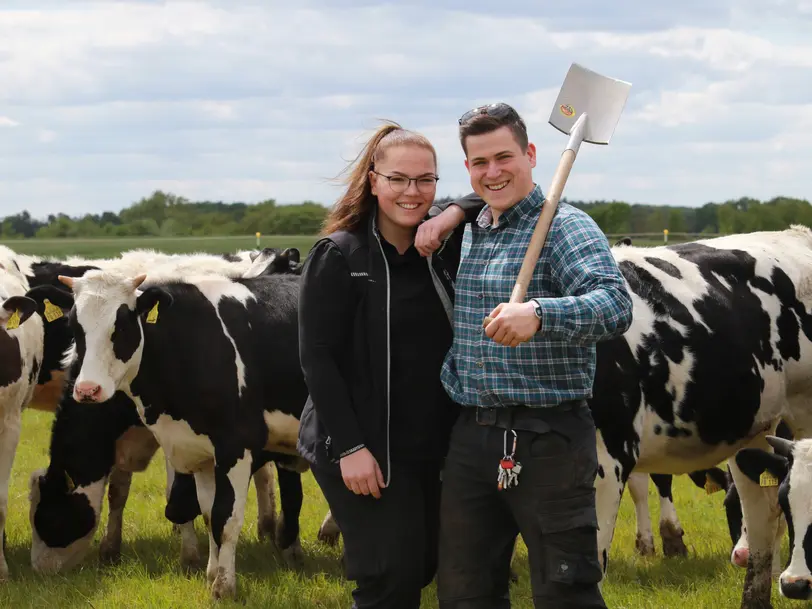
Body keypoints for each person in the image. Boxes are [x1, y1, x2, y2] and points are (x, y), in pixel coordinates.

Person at [435, 102, 634, 608]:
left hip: (548, 439)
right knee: (464, 592)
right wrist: (450, 212)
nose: (493, 172)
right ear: (468, 170)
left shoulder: (567, 226)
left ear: (531, 154)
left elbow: (614, 304)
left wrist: (541, 314)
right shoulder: (472, 228)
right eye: (480, 163)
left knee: (565, 591)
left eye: (504, 157)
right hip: (472, 437)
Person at [296, 121, 483, 609]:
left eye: (425, 180)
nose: (412, 191)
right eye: (398, 178)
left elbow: (489, 197)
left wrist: (448, 216)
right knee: (388, 580)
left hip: (429, 445)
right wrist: (352, 447)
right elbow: (317, 358)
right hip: (362, 445)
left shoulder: (439, 251)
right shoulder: (340, 255)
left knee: (423, 566)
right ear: (373, 179)